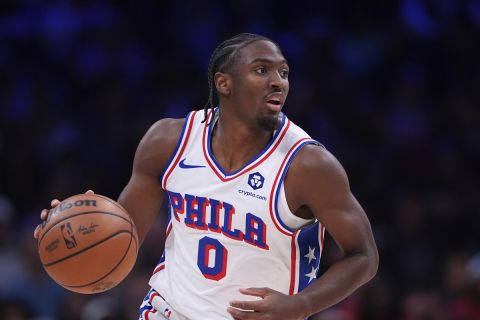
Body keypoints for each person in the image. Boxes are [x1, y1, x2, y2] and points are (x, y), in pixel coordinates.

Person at [34, 33, 378, 320]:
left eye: (284, 73)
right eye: (262, 70)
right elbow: (123, 242)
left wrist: (303, 305)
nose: (278, 81)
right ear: (224, 83)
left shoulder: (307, 165)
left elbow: (364, 255)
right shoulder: (168, 141)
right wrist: (71, 229)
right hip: (169, 310)